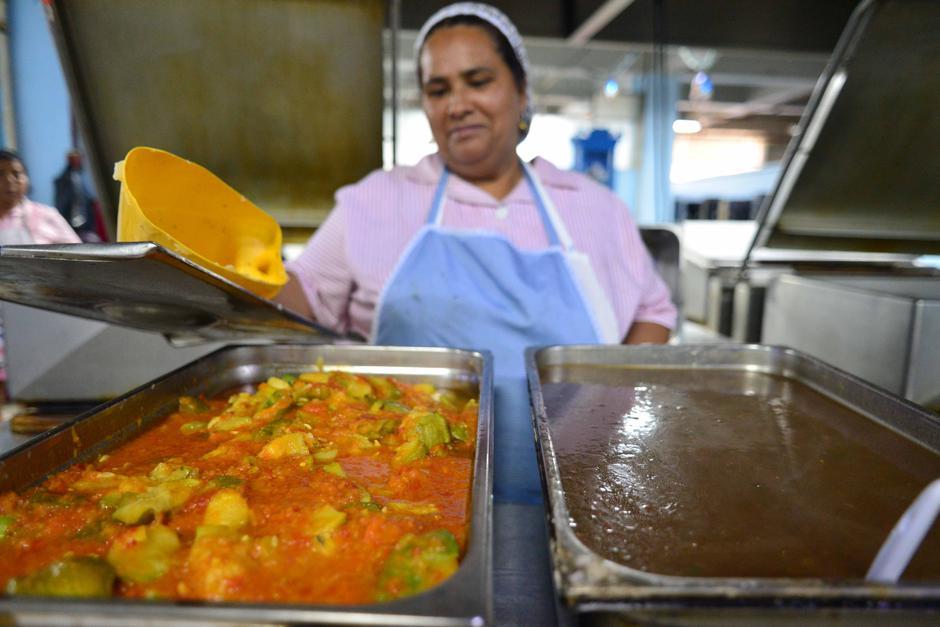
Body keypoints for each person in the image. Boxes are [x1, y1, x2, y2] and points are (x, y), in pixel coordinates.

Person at [278, 2, 676, 505]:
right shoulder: (376, 200)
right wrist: (217, 282)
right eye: (438, 89)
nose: (457, 103)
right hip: (397, 492)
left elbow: (653, 310)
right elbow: (304, 293)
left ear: (521, 91)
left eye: (478, 80)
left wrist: (614, 401)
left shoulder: (594, 209)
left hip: (574, 488)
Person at [0, 149, 81, 397]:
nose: (10, 182)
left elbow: (82, 261)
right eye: (1, 175)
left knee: (45, 386)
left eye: (17, 174)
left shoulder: (46, 216)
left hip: (44, 313)